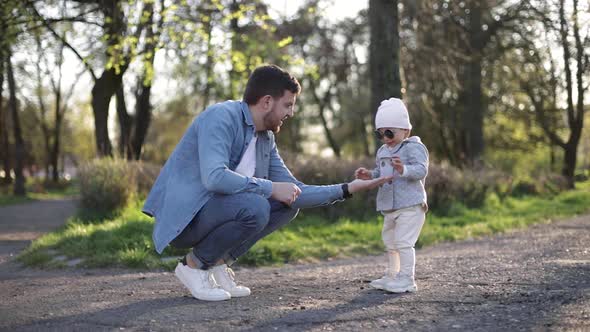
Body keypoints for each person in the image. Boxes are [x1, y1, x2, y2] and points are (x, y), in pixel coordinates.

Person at [142, 64, 392, 301]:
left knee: (287, 205)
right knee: (257, 205)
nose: (291, 113)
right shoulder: (221, 117)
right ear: (267, 102)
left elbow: (295, 192)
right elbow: (214, 178)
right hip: (187, 220)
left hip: (218, 212)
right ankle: (194, 266)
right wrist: (270, 188)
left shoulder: (264, 139)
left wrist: (347, 189)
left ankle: (218, 263)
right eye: (288, 105)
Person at [354, 97, 429, 293]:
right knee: (390, 242)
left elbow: (421, 170)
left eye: (390, 132)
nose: (386, 138)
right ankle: (393, 274)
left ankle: (407, 279)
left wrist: (403, 169)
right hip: (389, 206)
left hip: (411, 204)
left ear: (405, 130)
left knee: (404, 242)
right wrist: (370, 174)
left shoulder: (413, 147)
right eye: (381, 134)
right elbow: (382, 172)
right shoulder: (382, 151)